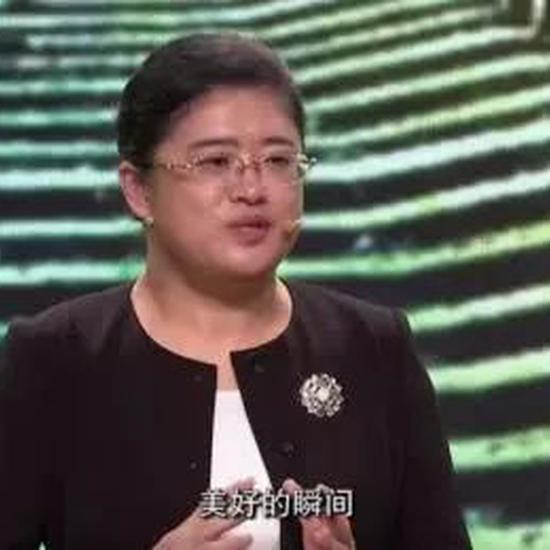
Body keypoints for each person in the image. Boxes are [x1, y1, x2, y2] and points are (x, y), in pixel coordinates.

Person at [0, 32, 472, 550]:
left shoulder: (372, 345)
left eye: (278, 161)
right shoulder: (54, 358)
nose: (252, 189)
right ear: (138, 190)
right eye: (215, 162)